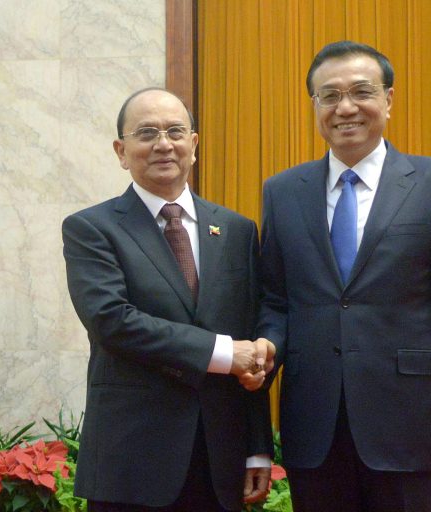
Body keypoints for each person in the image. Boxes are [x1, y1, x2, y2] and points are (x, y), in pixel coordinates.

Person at [258, 41, 431, 511]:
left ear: (388, 99)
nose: (345, 108)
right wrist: (265, 349)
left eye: (361, 92)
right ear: (315, 106)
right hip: (314, 424)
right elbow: (275, 301)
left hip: (409, 424)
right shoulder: (282, 192)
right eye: (329, 96)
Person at [63, 87, 275, 512]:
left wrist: (256, 447)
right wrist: (222, 353)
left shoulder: (236, 230)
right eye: (147, 133)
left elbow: (249, 334)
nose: (163, 143)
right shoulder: (92, 228)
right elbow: (112, 321)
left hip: (219, 458)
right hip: (131, 462)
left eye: (175, 131)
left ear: (193, 144)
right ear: (121, 151)